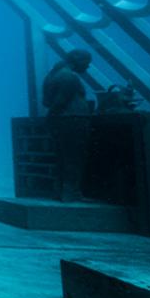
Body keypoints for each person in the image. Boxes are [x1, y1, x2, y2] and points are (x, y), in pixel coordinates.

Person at [41, 49, 92, 202]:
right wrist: (51, 116)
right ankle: (71, 193)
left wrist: (51, 119)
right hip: (73, 121)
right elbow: (60, 102)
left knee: (62, 158)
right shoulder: (69, 77)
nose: (88, 67)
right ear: (77, 60)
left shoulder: (52, 75)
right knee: (74, 157)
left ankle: (60, 191)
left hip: (61, 122)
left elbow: (47, 102)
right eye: (86, 62)